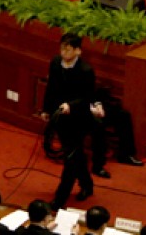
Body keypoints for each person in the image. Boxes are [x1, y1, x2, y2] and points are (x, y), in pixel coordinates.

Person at [42, 34, 97, 211]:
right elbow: (50, 87)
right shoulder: (55, 63)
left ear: (78, 50)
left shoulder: (86, 70)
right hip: (60, 117)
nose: (64, 51)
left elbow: (87, 98)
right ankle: (87, 184)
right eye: (62, 47)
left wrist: (70, 105)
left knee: (71, 159)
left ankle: (60, 199)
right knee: (76, 155)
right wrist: (46, 109)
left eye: (68, 48)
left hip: (79, 119)